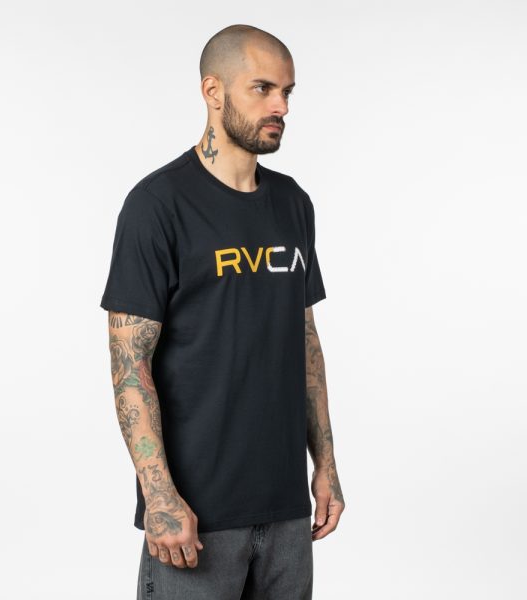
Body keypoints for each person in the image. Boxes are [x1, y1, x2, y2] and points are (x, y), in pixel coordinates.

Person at [100, 23, 345, 600]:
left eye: (287, 92)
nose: (281, 107)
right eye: (263, 89)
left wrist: (326, 464)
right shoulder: (157, 205)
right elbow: (129, 365)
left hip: (287, 510)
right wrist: (159, 495)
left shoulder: (293, 203)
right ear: (213, 91)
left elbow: (304, 343)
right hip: (195, 518)